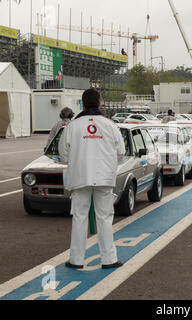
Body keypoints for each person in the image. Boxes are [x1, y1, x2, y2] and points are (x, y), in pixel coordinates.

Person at [59, 88, 125, 269]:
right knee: (104, 218)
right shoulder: (110, 125)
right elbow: (121, 152)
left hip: (80, 177)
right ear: (99, 103)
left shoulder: (72, 126)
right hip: (104, 177)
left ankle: (76, 259)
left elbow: (63, 155)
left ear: (82, 104)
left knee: (79, 217)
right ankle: (109, 259)